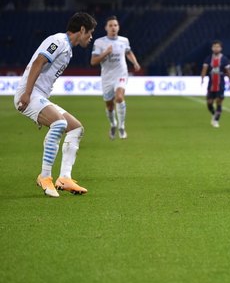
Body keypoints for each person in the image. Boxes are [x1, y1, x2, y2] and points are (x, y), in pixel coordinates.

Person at [14, 12, 97, 197]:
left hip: (39, 95)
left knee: (76, 128)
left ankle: (65, 178)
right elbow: (38, 62)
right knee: (59, 123)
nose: (91, 37)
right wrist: (27, 94)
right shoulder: (58, 41)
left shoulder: (68, 49)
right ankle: (44, 176)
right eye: (90, 33)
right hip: (29, 93)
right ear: (81, 29)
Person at [90, 15, 141, 140]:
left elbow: (128, 52)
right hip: (107, 77)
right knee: (109, 105)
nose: (113, 27)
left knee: (119, 97)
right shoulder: (99, 42)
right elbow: (93, 61)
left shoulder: (124, 40)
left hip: (121, 74)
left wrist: (135, 62)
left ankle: (122, 127)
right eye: (111, 25)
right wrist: (105, 53)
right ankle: (113, 124)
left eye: (115, 25)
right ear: (106, 28)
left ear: (118, 27)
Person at [200, 40, 230, 128]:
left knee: (219, 101)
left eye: (218, 47)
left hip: (220, 84)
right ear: (212, 48)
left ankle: (216, 120)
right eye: (214, 46)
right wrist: (202, 78)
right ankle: (214, 114)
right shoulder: (208, 58)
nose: (216, 48)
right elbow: (204, 69)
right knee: (209, 103)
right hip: (211, 84)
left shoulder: (224, 59)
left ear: (221, 48)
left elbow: (228, 71)